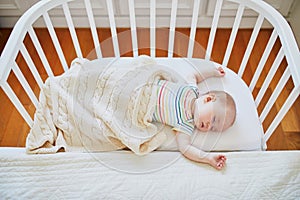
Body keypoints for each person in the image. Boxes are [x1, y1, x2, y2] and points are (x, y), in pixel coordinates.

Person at [152, 66, 236, 170]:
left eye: (213, 129)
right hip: (149, 84)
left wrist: (208, 158)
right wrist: (213, 72)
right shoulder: (192, 90)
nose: (209, 126)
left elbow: (185, 148)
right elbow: (194, 75)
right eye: (214, 119)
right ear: (209, 99)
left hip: (141, 107)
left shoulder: (186, 124)